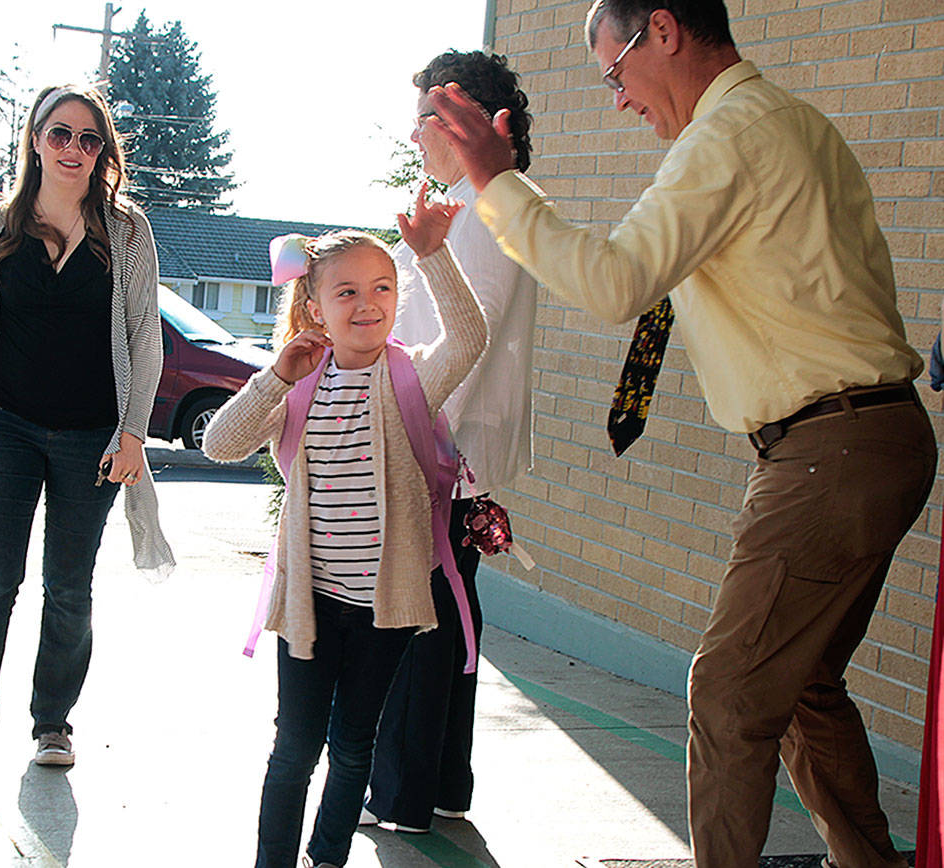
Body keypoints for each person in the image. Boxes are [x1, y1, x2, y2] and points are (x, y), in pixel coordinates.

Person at [426, 2, 935, 867]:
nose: (619, 100)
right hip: (873, 439)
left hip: (831, 448)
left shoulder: (727, 136)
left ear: (661, 30)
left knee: (731, 695)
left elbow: (616, 279)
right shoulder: (789, 122)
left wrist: (494, 182)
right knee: (800, 681)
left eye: (614, 74)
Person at [202, 187, 488, 868]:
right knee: (294, 747)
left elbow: (471, 336)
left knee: (354, 744)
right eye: (348, 293)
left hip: (384, 610)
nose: (368, 304)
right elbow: (220, 442)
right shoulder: (299, 383)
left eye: (383, 288)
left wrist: (434, 255)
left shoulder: (413, 377)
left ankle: (327, 856)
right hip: (310, 604)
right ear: (314, 308)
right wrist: (275, 376)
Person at [0, 84, 174, 779]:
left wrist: (133, 433)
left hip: (93, 433)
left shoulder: (126, 232)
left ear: (103, 153)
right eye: (60, 134)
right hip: (3, 423)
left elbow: (146, 339)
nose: (73, 149)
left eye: (89, 140)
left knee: (68, 585)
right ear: (34, 139)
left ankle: (53, 723)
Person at [363, 49, 536, 835]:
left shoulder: (487, 210)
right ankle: (436, 784)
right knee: (447, 612)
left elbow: (468, 338)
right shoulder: (463, 200)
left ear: (472, 122)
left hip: (441, 443)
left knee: (419, 620)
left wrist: (418, 442)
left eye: (429, 116)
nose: (415, 132)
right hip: (444, 440)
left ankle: (402, 794)